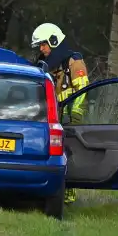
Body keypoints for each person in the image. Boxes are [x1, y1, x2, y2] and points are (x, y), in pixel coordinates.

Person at [31, 22, 90, 205]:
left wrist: (76, 115)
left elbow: (82, 89)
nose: (41, 48)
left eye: (43, 44)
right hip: (51, 118)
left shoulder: (74, 61)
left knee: (68, 154)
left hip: (69, 118)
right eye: (40, 45)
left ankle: (67, 194)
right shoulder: (45, 65)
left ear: (54, 41)